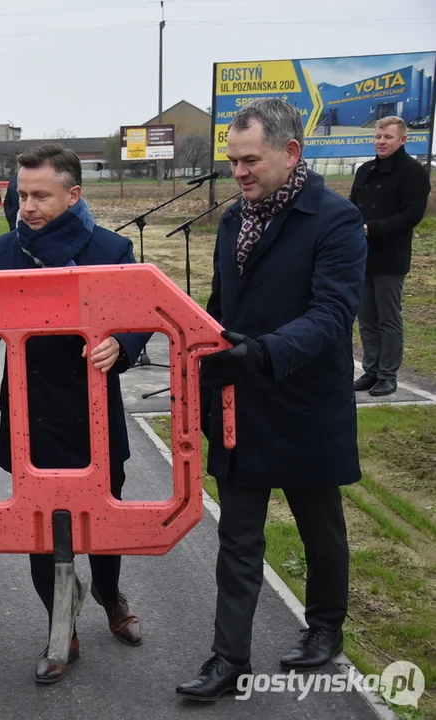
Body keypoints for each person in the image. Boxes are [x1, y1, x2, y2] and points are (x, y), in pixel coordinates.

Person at [176, 98, 366, 702]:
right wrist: (203, 354)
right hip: (242, 402)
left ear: (291, 153)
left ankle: (325, 628)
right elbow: (221, 306)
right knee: (238, 538)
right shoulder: (234, 219)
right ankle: (228, 657)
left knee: (319, 527)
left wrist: (262, 352)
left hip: (306, 400)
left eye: (249, 160)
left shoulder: (335, 220)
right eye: (232, 162)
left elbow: (333, 315)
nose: (238, 172)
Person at [0, 144, 150, 684]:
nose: (29, 207)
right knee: (43, 531)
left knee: (102, 525)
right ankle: (60, 626)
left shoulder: (110, 249)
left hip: (92, 416)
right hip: (29, 417)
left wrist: (123, 346)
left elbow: (143, 314)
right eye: (21, 195)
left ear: (73, 195)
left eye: (41, 195)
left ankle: (110, 597)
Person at [350, 116, 431, 397]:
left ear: (403, 140)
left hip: (391, 258)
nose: (381, 142)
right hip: (362, 256)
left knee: (388, 318)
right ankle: (370, 371)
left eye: (388, 137)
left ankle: (388, 376)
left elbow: (412, 214)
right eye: (378, 137)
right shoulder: (365, 171)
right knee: (367, 317)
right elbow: (352, 207)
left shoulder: (413, 172)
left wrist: (371, 229)